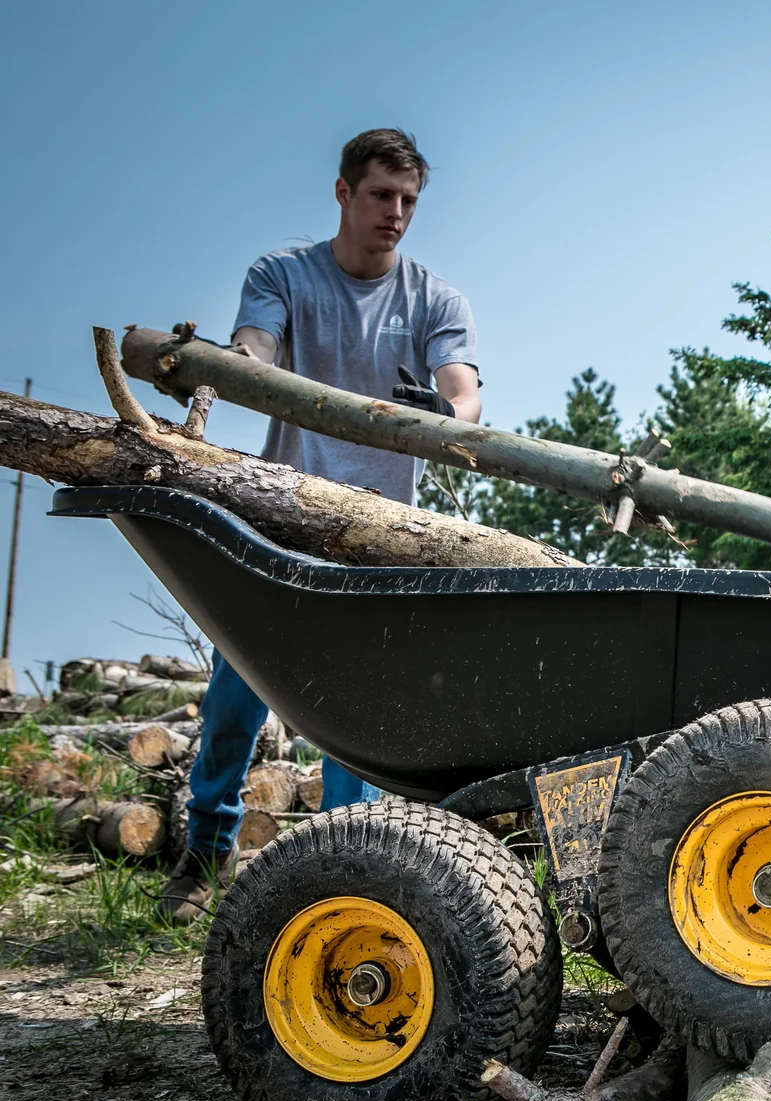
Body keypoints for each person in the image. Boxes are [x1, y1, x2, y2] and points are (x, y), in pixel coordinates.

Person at [158, 128, 482, 922]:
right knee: (237, 692)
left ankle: (342, 878)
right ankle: (204, 857)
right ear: (343, 193)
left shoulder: (434, 298)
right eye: (381, 195)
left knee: (354, 714)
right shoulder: (282, 274)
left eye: (409, 200)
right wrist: (239, 365)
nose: (396, 214)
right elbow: (255, 348)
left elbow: (464, 392)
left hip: (381, 535)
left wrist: (448, 416)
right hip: (286, 514)